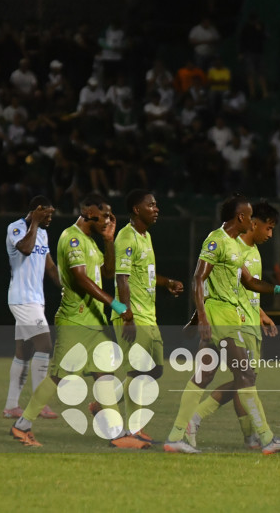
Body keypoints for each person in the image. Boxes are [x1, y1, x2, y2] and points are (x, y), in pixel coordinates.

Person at [164, 194, 280, 455]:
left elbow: (250, 283)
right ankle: (266, 439)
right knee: (245, 375)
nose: (251, 222)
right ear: (241, 217)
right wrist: (201, 318)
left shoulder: (235, 246)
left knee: (203, 376)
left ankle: (175, 436)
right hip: (222, 318)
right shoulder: (216, 240)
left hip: (227, 316)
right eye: (250, 217)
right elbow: (198, 278)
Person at [9, 193, 146, 449]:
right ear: (87, 211)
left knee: (105, 373)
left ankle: (116, 434)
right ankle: (22, 426)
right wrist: (117, 305)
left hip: (93, 321)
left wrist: (108, 241)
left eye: (110, 215)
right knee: (59, 376)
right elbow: (81, 279)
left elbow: (106, 273)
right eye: (104, 214)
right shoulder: (71, 238)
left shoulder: (91, 242)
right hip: (75, 320)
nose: (108, 220)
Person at [185, 201, 280, 449]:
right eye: (268, 228)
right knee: (244, 378)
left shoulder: (250, 251)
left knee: (241, 379)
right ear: (252, 222)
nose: (270, 234)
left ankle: (249, 436)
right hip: (235, 323)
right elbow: (207, 283)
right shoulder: (230, 245)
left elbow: (245, 288)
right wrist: (201, 317)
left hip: (246, 320)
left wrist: (261, 313)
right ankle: (197, 420)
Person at [109, 189, 184, 442]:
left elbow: (147, 274)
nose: (156, 208)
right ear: (136, 210)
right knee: (138, 372)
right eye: (151, 205)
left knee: (156, 371)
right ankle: (133, 430)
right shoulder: (125, 237)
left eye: (156, 204)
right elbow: (122, 277)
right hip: (133, 315)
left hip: (148, 316)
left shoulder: (146, 236)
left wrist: (167, 282)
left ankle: (108, 400)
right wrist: (127, 316)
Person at [3, 197, 61, 419]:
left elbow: (50, 266)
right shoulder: (16, 227)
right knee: (45, 345)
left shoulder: (44, 234)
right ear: (36, 211)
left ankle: (11, 406)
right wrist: (34, 223)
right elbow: (26, 249)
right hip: (22, 298)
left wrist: (65, 287)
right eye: (47, 213)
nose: (50, 218)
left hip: (36, 299)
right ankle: (39, 403)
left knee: (23, 352)